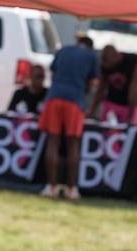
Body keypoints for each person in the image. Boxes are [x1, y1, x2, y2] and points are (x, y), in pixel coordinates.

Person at [37, 35, 99, 200]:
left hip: (54, 98)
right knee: (72, 145)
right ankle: (72, 190)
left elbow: (54, 72)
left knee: (53, 142)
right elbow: (91, 83)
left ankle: (51, 187)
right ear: (90, 46)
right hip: (75, 101)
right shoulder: (91, 56)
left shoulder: (63, 50)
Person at [91, 44, 137, 126]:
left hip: (131, 105)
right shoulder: (104, 65)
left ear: (115, 57)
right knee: (107, 133)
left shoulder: (134, 62)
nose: (108, 68)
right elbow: (100, 89)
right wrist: (92, 110)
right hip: (112, 103)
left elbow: (134, 89)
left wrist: (131, 116)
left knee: (128, 133)